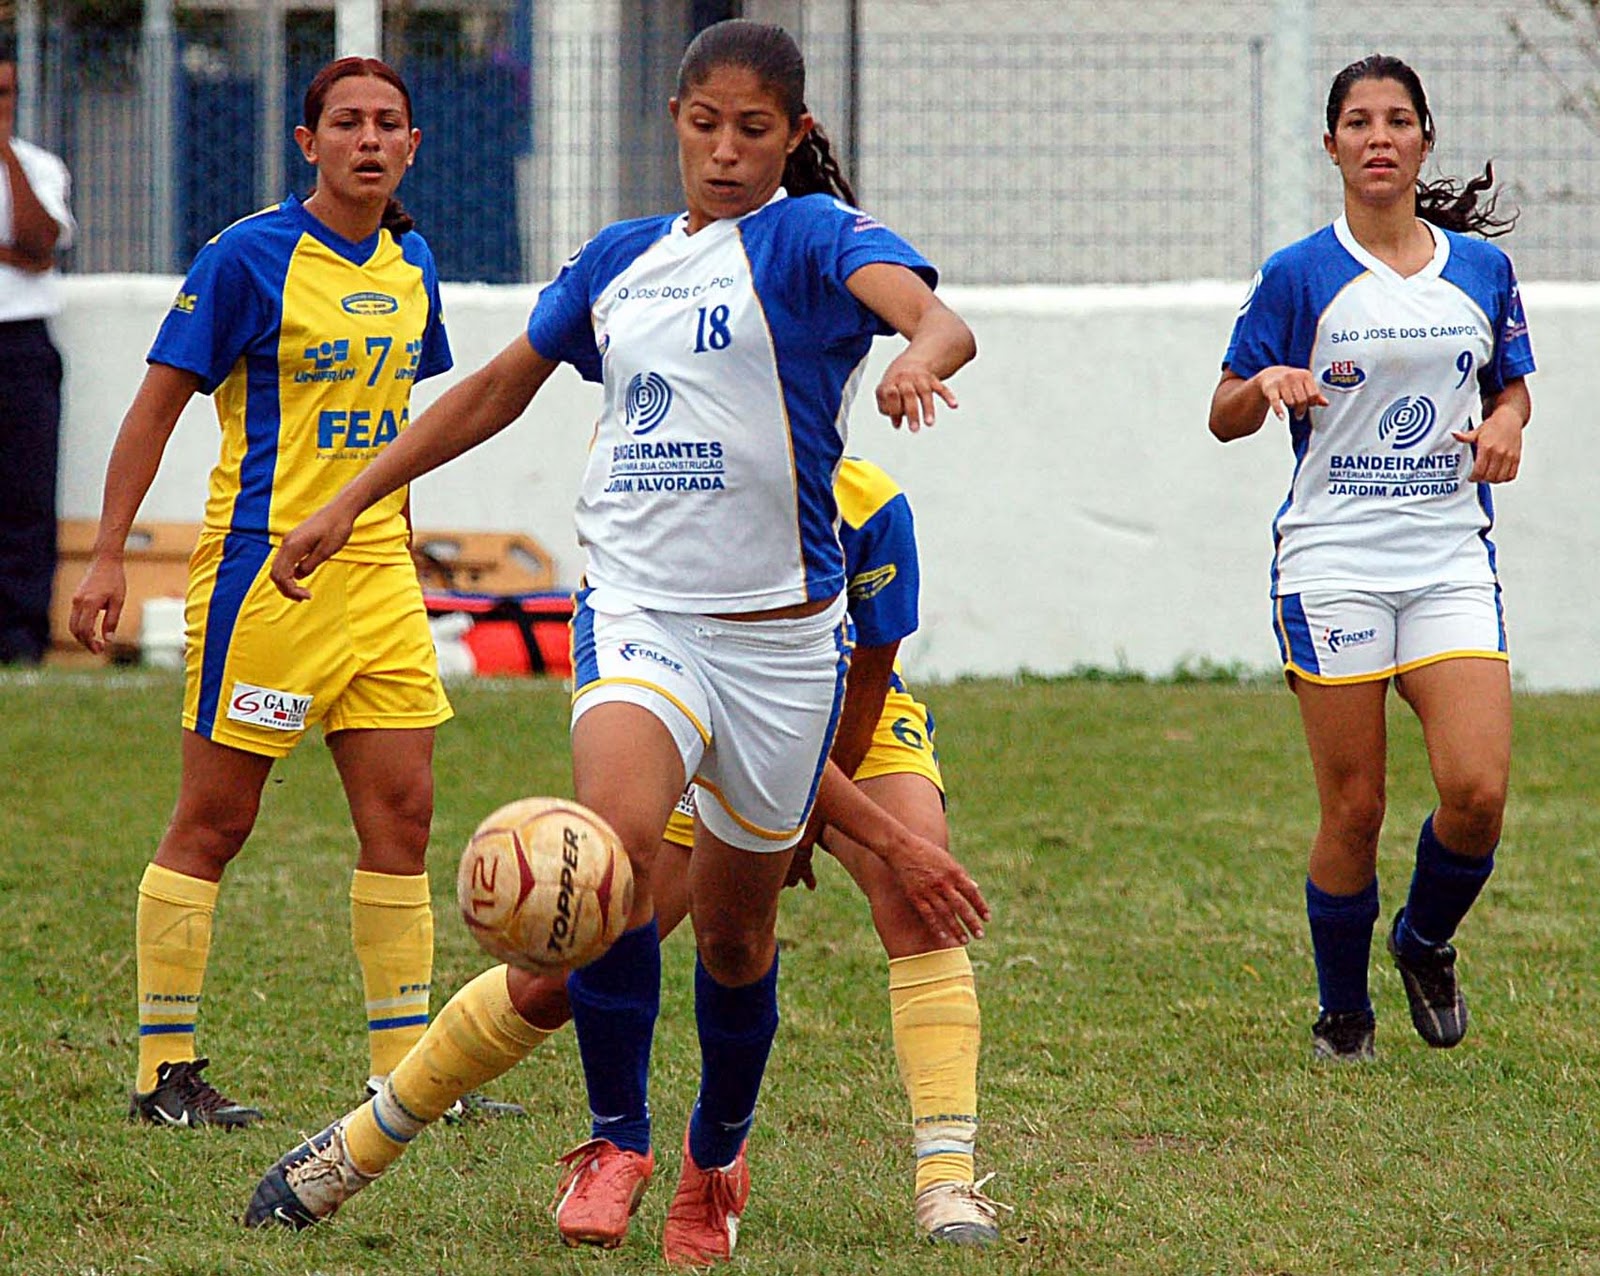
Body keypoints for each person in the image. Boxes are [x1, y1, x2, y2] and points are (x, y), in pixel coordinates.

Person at [242, 19, 986, 1266]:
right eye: (706, 125)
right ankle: (615, 1136)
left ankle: (710, 1158)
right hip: (639, 612)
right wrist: (345, 501)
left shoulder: (812, 239)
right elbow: (491, 388)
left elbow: (935, 318)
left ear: (793, 135)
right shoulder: (621, 260)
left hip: (781, 644)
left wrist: (921, 354)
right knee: (615, 862)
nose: (728, 151)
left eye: (756, 130)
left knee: (739, 941)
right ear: (675, 124)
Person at [68, 57, 501, 1128]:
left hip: (379, 579)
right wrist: (110, 551)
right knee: (216, 820)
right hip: (267, 582)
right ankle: (161, 1072)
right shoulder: (246, 257)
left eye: (388, 123)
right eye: (345, 121)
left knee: (402, 817)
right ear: (305, 143)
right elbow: (154, 409)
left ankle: (404, 1076)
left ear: (412, 146)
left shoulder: (414, 261)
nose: (368, 138)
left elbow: (403, 424)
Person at [564, 455, 1002, 1248]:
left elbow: (862, 690)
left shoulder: (869, 507)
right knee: (560, 957)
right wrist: (890, 842)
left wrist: (806, 821)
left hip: (831, 728)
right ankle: (370, 1135)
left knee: (913, 902)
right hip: (698, 716)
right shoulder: (679, 486)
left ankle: (948, 1182)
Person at [1209, 54, 1534, 1061]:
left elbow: (1511, 388)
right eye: (1358, 121)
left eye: (1397, 120)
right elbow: (1220, 414)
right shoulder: (1297, 274)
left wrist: (1508, 425)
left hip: (1447, 560)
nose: (1378, 136)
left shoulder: (1478, 270)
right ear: (1332, 145)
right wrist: (1265, 381)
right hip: (1331, 563)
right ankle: (1342, 1016)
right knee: (1354, 807)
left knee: (1476, 791)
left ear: (1423, 139)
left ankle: (1425, 940)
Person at [0, 55, 76, 666]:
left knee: (25, 495)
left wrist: (5, 155)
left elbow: (37, 244)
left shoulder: (37, 166)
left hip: (19, 341)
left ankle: (21, 639)